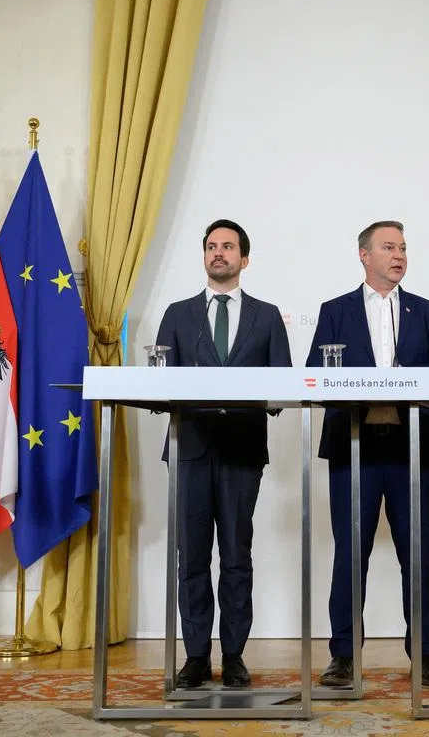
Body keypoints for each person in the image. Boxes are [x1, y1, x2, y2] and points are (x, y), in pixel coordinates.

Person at [306, 220, 429, 688]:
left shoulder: (425, 312)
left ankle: (426, 655)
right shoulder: (335, 310)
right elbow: (316, 374)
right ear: (364, 256)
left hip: (411, 448)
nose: (399, 255)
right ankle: (344, 656)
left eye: (404, 247)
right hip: (354, 449)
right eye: (389, 247)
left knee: (419, 554)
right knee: (351, 554)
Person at [155, 219, 292, 689]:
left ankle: (233, 654)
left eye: (228, 247)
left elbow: (283, 385)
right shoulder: (177, 314)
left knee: (236, 556)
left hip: (241, 450)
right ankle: (196, 656)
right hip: (190, 447)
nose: (219, 253)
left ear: (244, 259)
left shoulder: (268, 315)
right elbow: (161, 382)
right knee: (191, 557)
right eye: (211, 246)